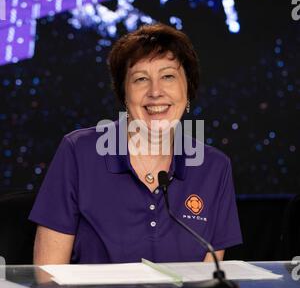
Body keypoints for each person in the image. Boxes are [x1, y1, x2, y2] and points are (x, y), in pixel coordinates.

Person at [29, 23, 242, 265]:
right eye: (141, 79)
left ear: (188, 90)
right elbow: (48, 275)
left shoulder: (215, 168)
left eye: (168, 76)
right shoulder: (78, 152)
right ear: (124, 94)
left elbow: (209, 280)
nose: (155, 92)